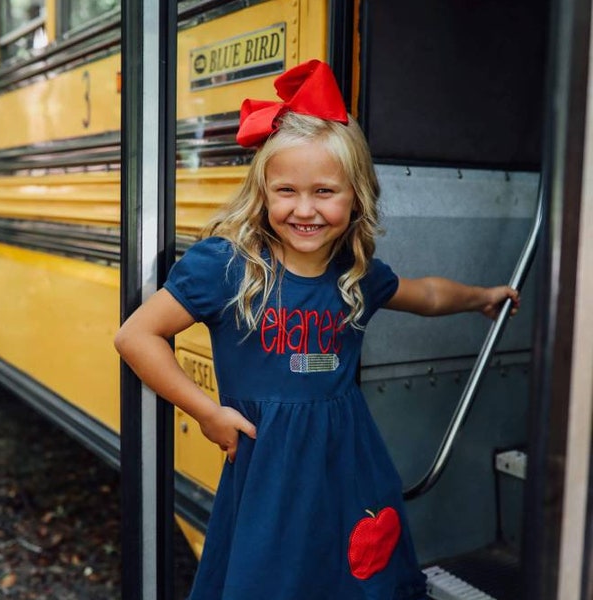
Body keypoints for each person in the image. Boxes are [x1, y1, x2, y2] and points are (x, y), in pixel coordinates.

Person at [114, 59, 520, 600]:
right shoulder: (229, 265)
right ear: (262, 192)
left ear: (356, 197)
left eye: (325, 192)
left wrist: (482, 298)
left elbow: (424, 294)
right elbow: (136, 336)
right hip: (271, 471)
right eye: (286, 190)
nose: (304, 209)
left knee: (354, 577)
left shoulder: (354, 273)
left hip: (349, 462)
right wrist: (207, 412)